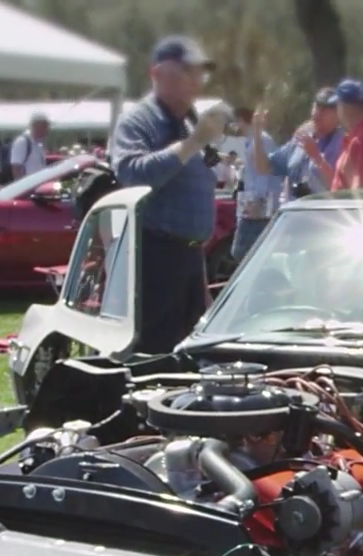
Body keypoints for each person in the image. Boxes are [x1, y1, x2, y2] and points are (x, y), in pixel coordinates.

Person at [109, 35, 231, 354]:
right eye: (186, 72)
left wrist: (200, 279)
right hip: (154, 257)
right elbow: (133, 174)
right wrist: (193, 143)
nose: (196, 81)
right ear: (157, 74)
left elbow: (204, 179)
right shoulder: (140, 121)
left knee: (190, 354)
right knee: (155, 353)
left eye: (199, 73)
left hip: (189, 256)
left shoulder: (191, 121)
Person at [247, 87, 345, 202]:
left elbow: (340, 186)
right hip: (295, 212)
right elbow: (263, 167)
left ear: (338, 115)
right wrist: (257, 133)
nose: (320, 112)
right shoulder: (300, 139)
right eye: (318, 106)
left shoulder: (342, 144)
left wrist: (316, 156)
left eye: (327, 109)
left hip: (322, 213)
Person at [231, 107, 283, 260]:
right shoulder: (250, 141)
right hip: (250, 201)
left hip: (258, 205)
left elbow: (264, 173)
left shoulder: (262, 140)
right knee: (245, 253)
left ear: (241, 120)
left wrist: (259, 200)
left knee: (244, 252)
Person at [10, 112, 50, 181]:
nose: (47, 129)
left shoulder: (38, 144)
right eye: (44, 126)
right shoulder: (23, 142)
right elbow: (16, 167)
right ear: (35, 126)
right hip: (28, 187)